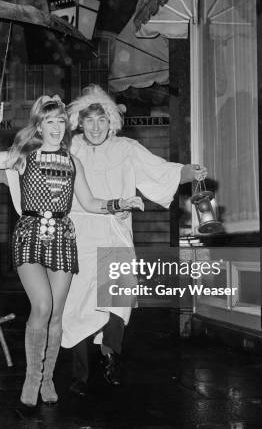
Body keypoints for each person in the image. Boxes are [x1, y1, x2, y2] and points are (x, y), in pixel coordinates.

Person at [0, 94, 144, 407]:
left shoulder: (72, 160)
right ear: (39, 124)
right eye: (49, 121)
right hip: (30, 235)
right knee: (41, 306)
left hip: (63, 238)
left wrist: (120, 203)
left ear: (67, 125)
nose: (55, 126)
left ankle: (48, 378)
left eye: (60, 121)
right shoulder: (24, 154)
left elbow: (91, 203)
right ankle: (31, 379)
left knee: (56, 313)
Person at [63, 85, 207, 395]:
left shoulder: (126, 149)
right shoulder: (71, 149)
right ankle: (79, 376)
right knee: (76, 305)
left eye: (101, 119)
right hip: (80, 235)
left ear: (111, 120)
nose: (96, 127)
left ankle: (110, 355)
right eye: (89, 121)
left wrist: (188, 172)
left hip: (115, 232)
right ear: (80, 122)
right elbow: (32, 169)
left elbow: (159, 171)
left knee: (118, 295)